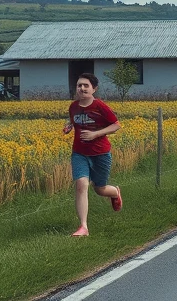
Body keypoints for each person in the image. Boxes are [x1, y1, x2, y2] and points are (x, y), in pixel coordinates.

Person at [62, 73, 122, 237]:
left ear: (94, 89)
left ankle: (115, 193)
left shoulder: (100, 106)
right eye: (79, 85)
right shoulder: (73, 107)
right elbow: (74, 121)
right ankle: (83, 227)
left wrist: (95, 134)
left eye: (85, 85)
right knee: (81, 185)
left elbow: (116, 125)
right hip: (79, 153)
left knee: (100, 189)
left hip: (100, 153)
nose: (81, 88)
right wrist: (69, 127)